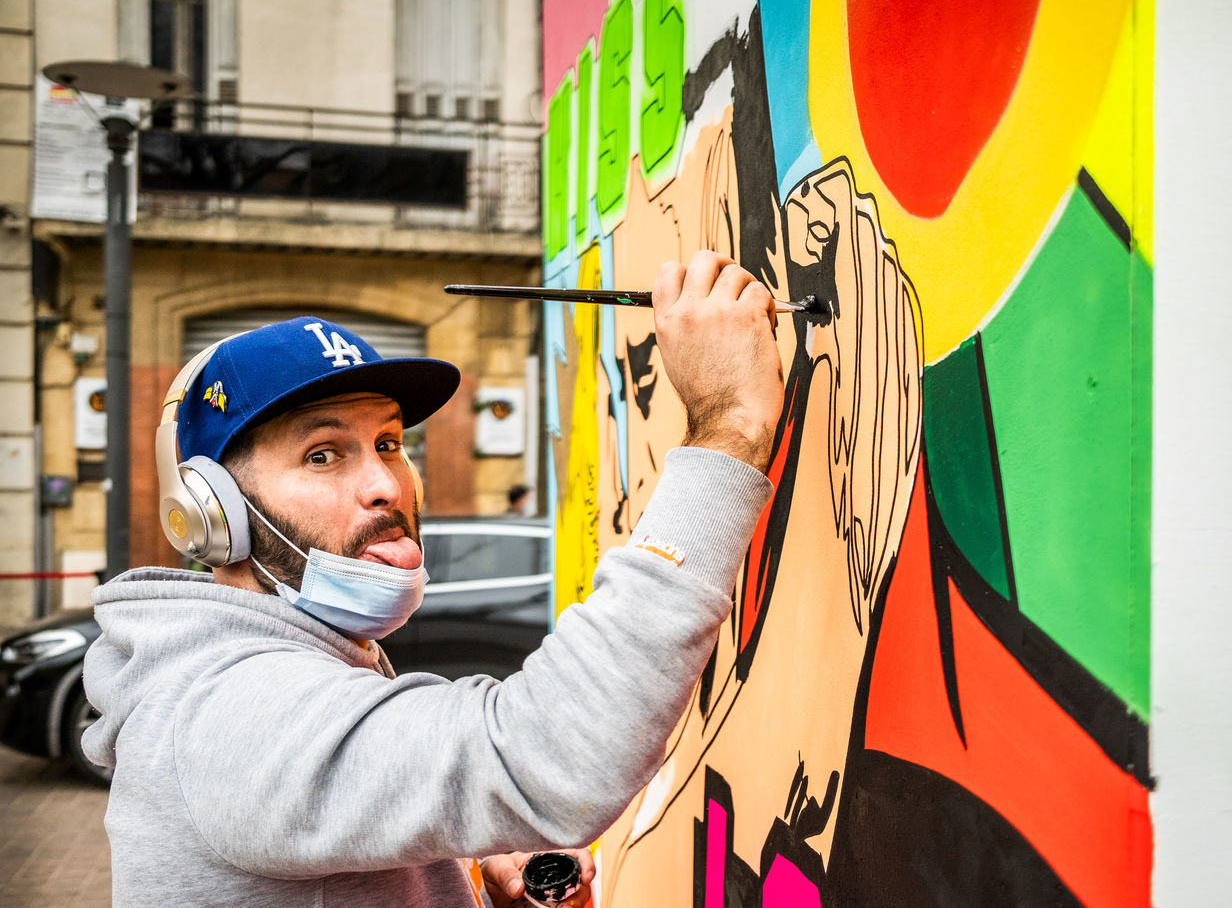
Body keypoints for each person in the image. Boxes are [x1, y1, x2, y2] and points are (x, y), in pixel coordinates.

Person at [80, 252, 784, 907]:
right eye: (323, 454)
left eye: (388, 442)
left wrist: (460, 885)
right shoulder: (233, 710)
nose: (387, 484)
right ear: (210, 511)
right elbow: (552, 755)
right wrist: (728, 424)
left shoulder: (278, 668)